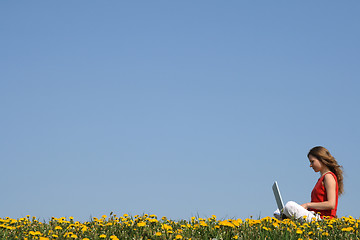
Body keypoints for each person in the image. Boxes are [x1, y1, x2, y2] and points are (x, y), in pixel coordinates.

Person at [274, 146, 344, 222]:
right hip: (314, 215)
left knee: (290, 205)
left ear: (321, 159)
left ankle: (287, 218)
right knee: (279, 211)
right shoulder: (322, 178)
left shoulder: (328, 176)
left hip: (323, 220)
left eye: (312, 161)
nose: (310, 165)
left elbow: (331, 204)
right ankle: (286, 219)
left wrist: (308, 205)